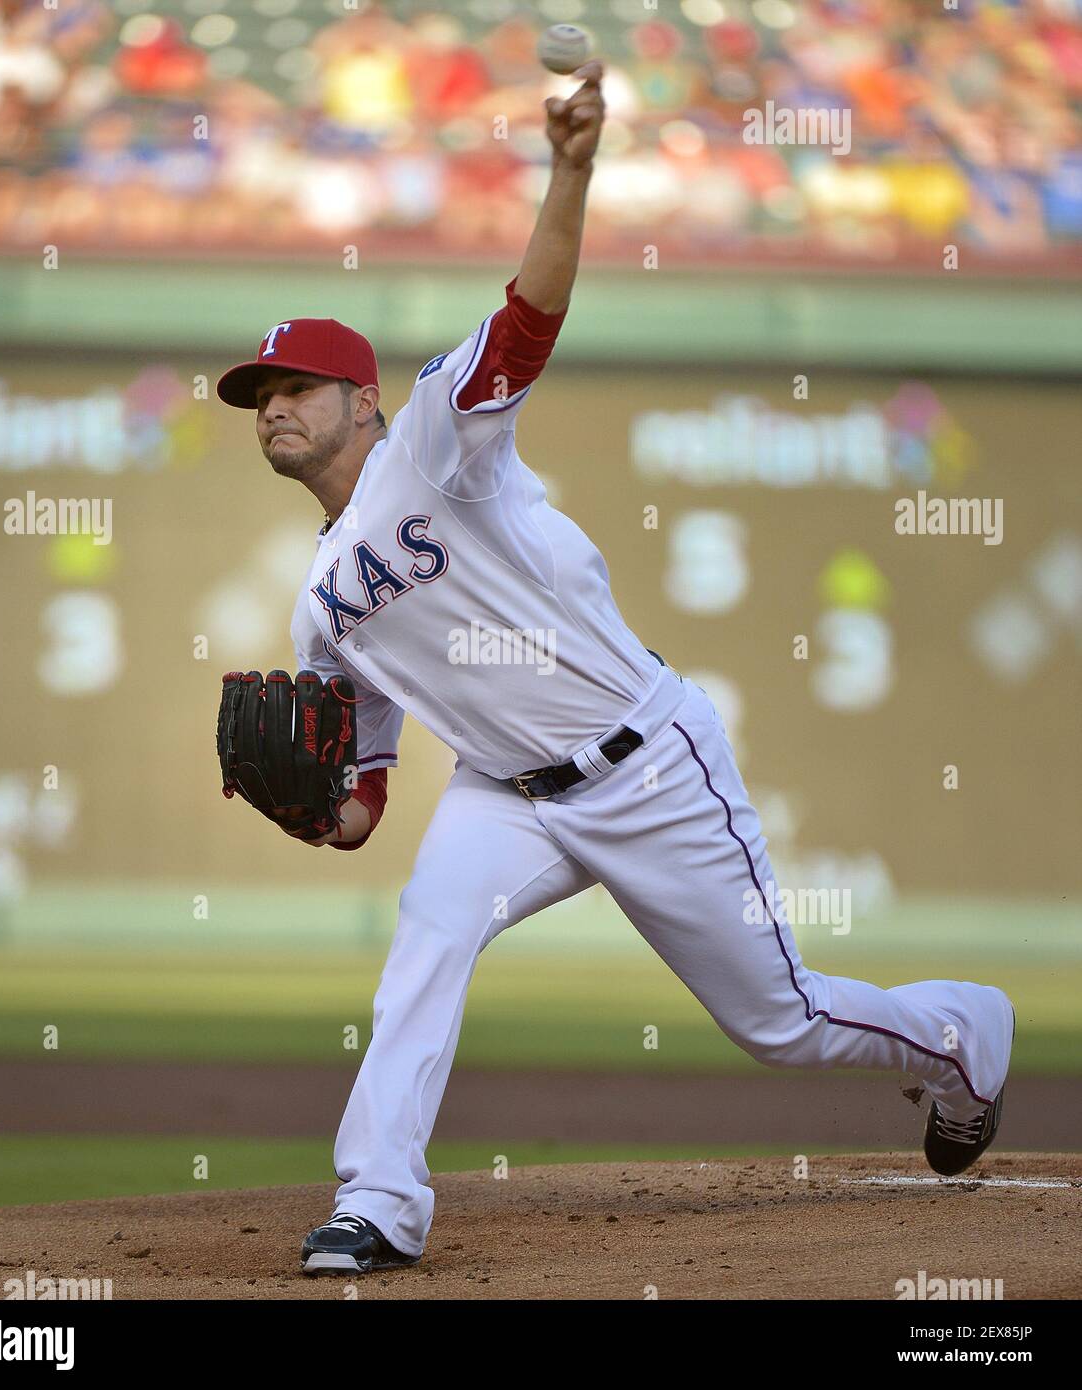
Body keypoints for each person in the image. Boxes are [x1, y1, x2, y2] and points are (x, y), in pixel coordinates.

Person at [216, 63, 1014, 1277]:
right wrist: (329, 811)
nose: (269, 406)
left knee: (779, 1022)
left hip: (643, 759)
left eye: (291, 386)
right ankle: (376, 1201)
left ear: (361, 400)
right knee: (427, 937)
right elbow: (367, 785)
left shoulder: (432, 442)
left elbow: (529, 317)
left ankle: (957, 1035)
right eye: (256, 395)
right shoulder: (317, 610)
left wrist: (573, 166)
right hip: (502, 794)